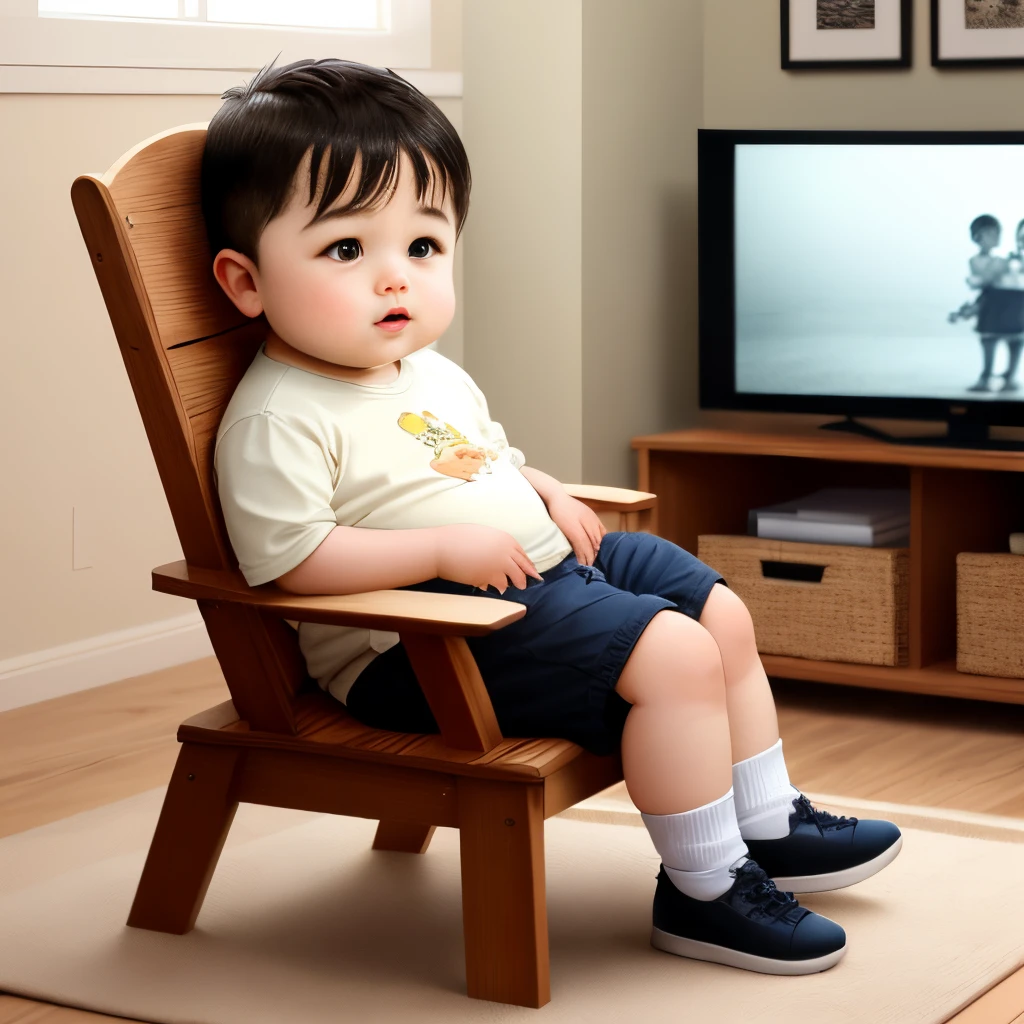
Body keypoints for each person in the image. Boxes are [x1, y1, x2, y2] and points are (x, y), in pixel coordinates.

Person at [203, 56, 902, 978]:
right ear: (247, 284)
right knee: (678, 657)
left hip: (535, 579)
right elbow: (294, 564)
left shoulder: (427, 369)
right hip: (420, 645)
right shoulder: (275, 417)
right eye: (346, 250)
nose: (394, 281)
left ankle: (764, 819)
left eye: (423, 246)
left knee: (720, 613)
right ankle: (704, 891)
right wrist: (443, 545)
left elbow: (471, 459)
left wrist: (542, 487)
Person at [948, 214, 1023, 392]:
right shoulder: (985, 261)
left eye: (995, 233)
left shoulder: (1009, 261)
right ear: (977, 237)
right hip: (995, 304)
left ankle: (1009, 377)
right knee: (989, 340)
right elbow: (985, 281)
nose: (993, 237)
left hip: (1015, 303)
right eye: (987, 233)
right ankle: (986, 376)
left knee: (1016, 341)